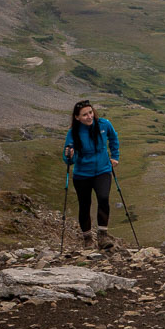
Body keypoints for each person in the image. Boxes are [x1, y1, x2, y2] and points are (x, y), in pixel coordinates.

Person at [63, 100, 119, 250]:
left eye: (90, 112)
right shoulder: (73, 133)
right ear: (77, 117)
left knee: (103, 198)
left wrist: (115, 156)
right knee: (84, 205)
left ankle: (103, 235)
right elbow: (69, 159)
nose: (89, 116)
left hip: (103, 170)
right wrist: (70, 155)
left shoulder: (104, 124)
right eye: (85, 114)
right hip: (82, 174)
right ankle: (87, 239)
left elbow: (113, 138)